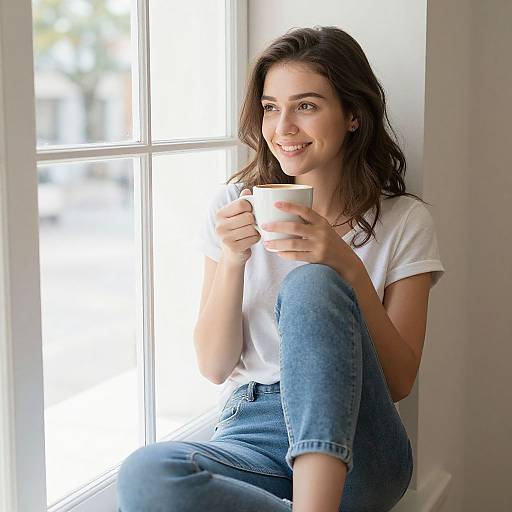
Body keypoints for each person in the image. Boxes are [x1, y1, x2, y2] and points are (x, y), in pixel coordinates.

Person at [116, 25, 445, 512]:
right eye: (272, 107)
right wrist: (233, 259)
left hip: (361, 445)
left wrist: (345, 267)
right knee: (147, 475)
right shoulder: (234, 204)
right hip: (250, 433)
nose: (283, 127)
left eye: (306, 106)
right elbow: (213, 366)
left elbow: (399, 381)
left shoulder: (405, 220)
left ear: (353, 115)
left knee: (313, 283)